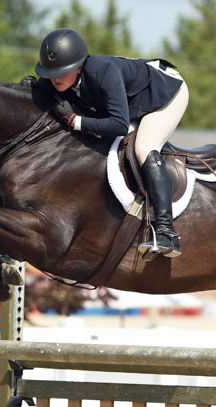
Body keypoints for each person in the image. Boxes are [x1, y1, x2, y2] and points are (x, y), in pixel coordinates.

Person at [35, 28, 190, 260]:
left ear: (78, 66)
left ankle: (166, 232)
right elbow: (41, 94)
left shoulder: (103, 73)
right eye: (51, 71)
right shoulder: (54, 79)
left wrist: (76, 121)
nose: (55, 77)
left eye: (62, 71)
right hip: (131, 100)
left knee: (144, 146)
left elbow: (118, 124)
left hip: (164, 93)